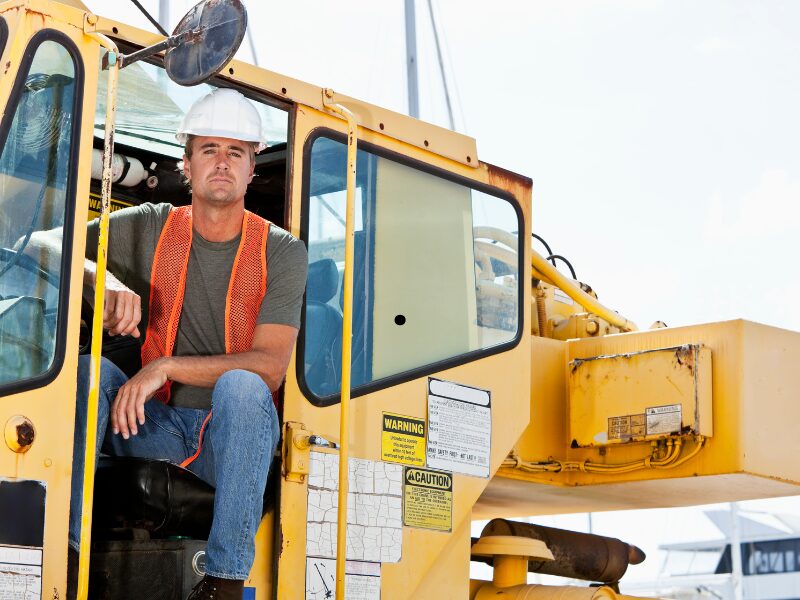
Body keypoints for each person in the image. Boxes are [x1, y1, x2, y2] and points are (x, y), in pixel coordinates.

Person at [66, 88, 308, 600]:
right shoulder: (153, 224)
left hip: (230, 444)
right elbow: (46, 242)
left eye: (235, 152)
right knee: (91, 373)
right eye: (209, 150)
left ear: (251, 169)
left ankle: (222, 582)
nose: (221, 163)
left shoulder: (282, 253)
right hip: (149, 426)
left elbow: (269, 368)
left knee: (243, 388)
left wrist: (165, 367)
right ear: (187, 163)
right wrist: (98, 276)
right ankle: (65, 557)